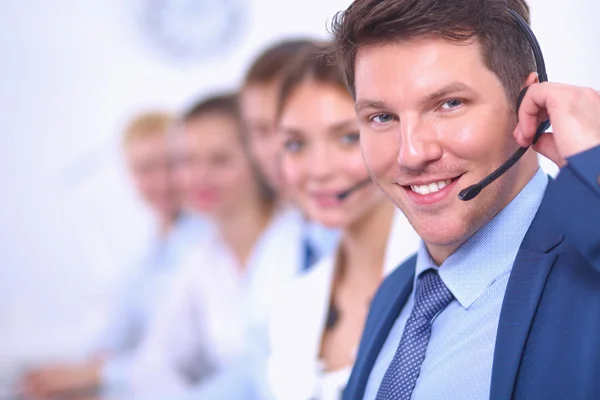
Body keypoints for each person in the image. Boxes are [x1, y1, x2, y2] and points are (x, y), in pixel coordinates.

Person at [327, 0, 600, 398]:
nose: (411, 154)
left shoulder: (588, 276)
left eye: (449, 104)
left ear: (530, 106)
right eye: (382, 117)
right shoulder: (394, 292)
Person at [127, 92, 310, 399]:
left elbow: (261, 372)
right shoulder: (203, 254)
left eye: (220, 160)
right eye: (186, 161)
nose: (198, 177)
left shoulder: (300, 241)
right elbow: (153, 363)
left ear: (258, 160)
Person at [266, 44, 420, 400]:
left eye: (348, 138)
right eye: (295, 144)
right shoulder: (295, 300)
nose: (318, 170)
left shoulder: (444, 279)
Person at [20, 111, 190, 399]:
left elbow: (189, 356)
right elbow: (118, 324)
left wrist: (99, 373)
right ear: (129, 174)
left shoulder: (209, 242)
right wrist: (84, 365)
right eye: (146, 169)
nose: (162, 180)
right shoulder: (147, 249)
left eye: (172, 165)